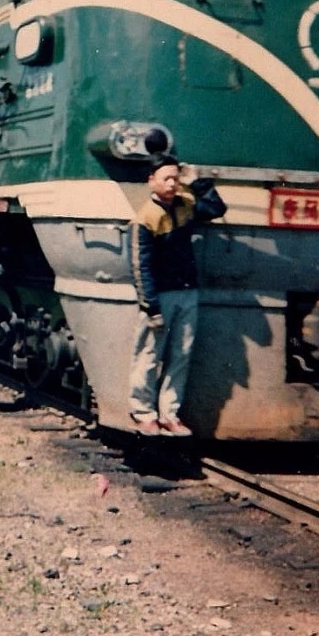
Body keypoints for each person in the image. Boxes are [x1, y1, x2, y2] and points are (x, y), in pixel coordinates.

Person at [128, 154, 226, 436]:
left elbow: (216, 207)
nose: (172, 184)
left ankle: (169, 413)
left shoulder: (186, 205)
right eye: (166, 179)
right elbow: (139, 266)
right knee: (148, 355)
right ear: (151, 182)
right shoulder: (144, 219)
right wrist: (151, 307)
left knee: (181, 355)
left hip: (187, 293)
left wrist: (199, 183)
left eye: (175, 178)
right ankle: (144, 413)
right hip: (160, 297)